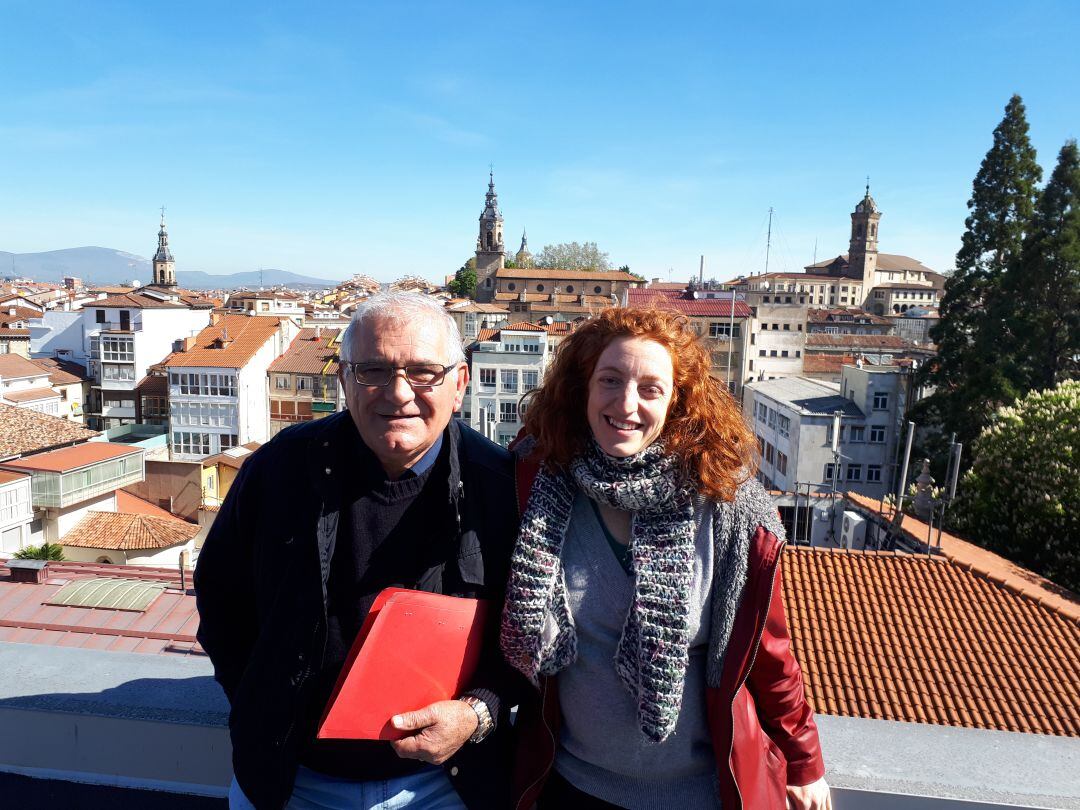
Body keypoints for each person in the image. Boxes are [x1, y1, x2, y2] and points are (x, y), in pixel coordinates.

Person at [195, 292, 521, 810]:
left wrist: (477, 713)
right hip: (290, 781)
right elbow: (221, 600)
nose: (397, 393)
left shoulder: (503, 487)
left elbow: (531, 642)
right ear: (344, 380)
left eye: (422, 372)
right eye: (372, 370)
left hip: (447, 786)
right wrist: (264, 705)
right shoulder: (278, 470)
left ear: (459, 385)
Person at [501, 307, 831, 810]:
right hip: (569, 788)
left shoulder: (728, 507)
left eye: (651, 388)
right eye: (609, 380)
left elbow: (769, 653)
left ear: (677, 402)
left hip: (699, 793)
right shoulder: (536, 482)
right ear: (582, 388)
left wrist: (804, 761)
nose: (626, 404)